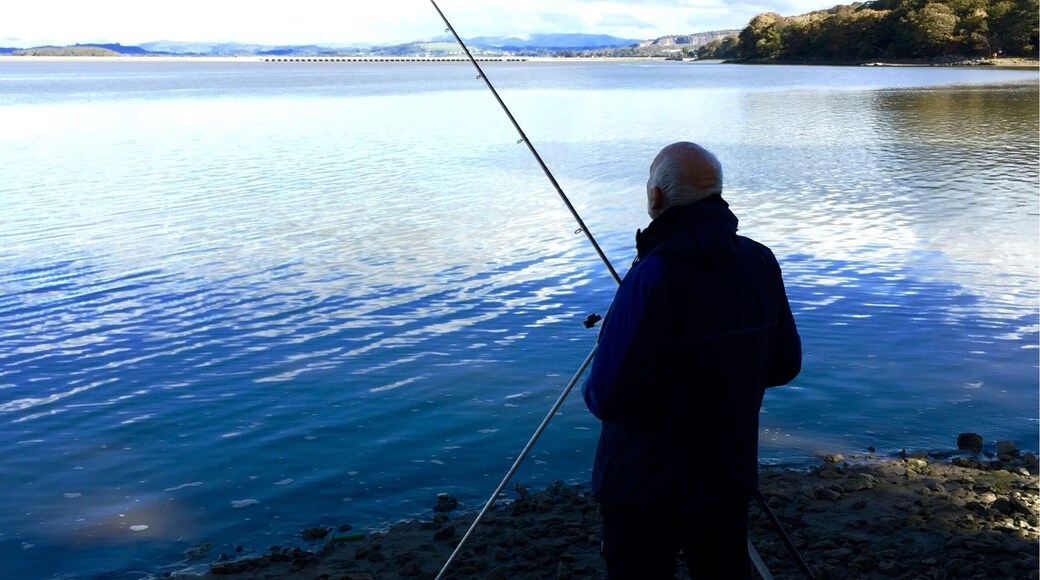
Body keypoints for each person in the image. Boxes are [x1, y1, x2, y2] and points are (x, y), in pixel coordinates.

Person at [582, 142, 802, 579]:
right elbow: (784, 365)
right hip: (727, 476)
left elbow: (608, 398)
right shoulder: (760, 260)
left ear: (656, 198)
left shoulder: (652, 276)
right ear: (716, 192)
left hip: (642, 486)